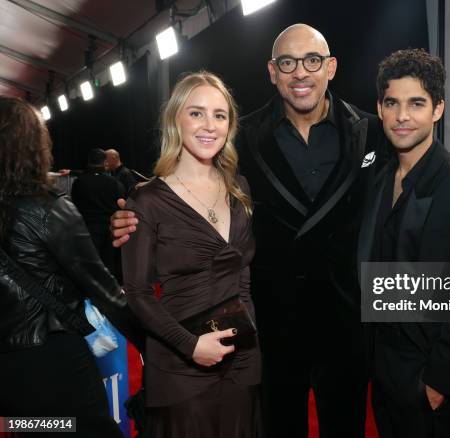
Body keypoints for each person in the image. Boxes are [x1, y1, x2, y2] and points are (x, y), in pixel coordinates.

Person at [112, 23, 388, 438]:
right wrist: (131, 218)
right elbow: (188, 195)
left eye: (312, 61)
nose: (300, 73)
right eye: (287, 63)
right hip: (269, 325)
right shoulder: (240, 137)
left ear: (330, 67)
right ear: (271, 71)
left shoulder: (371, 132)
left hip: (346, 321)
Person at [357, 49, 450, 437]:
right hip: (380, 363)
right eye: (392, 103)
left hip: (427, 371)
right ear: (380, 108)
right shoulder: (375, 179)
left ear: (438, 109)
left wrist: (439, 382)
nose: (403, 116)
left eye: (416, 103)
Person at [120, 71, 261, 438]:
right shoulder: (147, 199)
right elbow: (135, 294)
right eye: (196, 113)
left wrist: (251, 341)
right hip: (181, 365)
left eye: (220, 115)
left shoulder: (239, 189)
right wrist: (191, 345)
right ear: (175, 119)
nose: (209, 125)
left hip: (242, 359)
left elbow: (243, 276)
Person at [0, 96, 143, 438]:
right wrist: (163, 346)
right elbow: (107, 292)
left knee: (34, 430)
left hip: (7, 372)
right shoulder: (48, 209)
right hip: (51, 362)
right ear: (34, 145)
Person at [71, 148, 125, 275]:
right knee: (109, 265)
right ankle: (110, 293)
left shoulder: (79, 182)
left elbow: (75, 206)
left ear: (89, 161)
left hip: (87, 230)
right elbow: (120, 205)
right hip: (109, 230)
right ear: (105, 162)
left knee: (90, 267)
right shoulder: (114, 183)